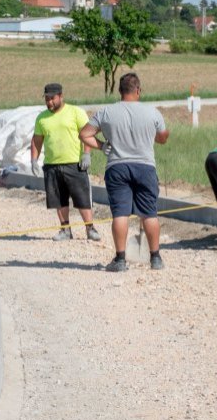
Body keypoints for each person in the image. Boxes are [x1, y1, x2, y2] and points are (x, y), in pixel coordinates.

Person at [79, 72, 170, 271]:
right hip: (145, 167)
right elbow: (163, 138)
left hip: (117, 166)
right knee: (149, 213)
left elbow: (84, 134)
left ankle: (120, 260)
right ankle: (155, 258)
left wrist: (102, 146)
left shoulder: (106, 112)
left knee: (120, 213)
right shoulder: (152, 112)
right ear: (138, 90)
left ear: (119, 91)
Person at [30, 82, 102, 241]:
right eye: (47, 99)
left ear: (61, 96)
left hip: (74, 164)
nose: (49, 102)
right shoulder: (42, 118)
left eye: (52, 98)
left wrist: (86, 154)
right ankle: (65, 230)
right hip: (52, 165)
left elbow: (86, 135)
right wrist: (34, 160)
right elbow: (36, 140)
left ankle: (90, 228)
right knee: (58, 199)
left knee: (82, 197)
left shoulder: (76, 112)